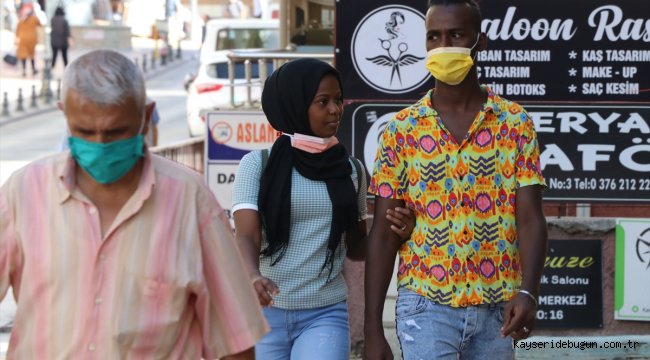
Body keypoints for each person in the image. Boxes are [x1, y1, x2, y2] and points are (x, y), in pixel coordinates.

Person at [0, 49, 268, 359]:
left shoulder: (190, 200)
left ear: (144, 117)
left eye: (116, 132)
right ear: (65, 115)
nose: (100, 145)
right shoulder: (23, 192)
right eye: (85, 132)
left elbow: (235, 339)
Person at [364, 1, 548, 359]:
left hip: (499, 309)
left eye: (456, 35)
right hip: (426, 305)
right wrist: (372, 330)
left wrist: (528, 292)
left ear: (480, 42)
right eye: (435, 36)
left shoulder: (514, 124)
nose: (444, 45)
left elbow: (530, 218)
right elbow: (383, 234)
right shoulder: (402, 130)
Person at [232, 58, 415, 360]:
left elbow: (355, 248)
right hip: (264, 312)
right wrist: (252, 276)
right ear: (294, 105)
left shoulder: (351, 170)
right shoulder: (257, 165)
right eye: (323, 101)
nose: (335, 109)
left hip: (325, 313)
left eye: (339, 100)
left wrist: (394, 231)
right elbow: (247, 236)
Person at [14, 3, 40, 77]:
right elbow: (40, 24)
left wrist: (16, 39)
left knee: (23, 56)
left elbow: (17, 30)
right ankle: (33, 69)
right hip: (32, 39)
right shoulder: (34, 18)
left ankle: (24, 71)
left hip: (23, 39)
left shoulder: (22, 19)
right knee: (31, 55)